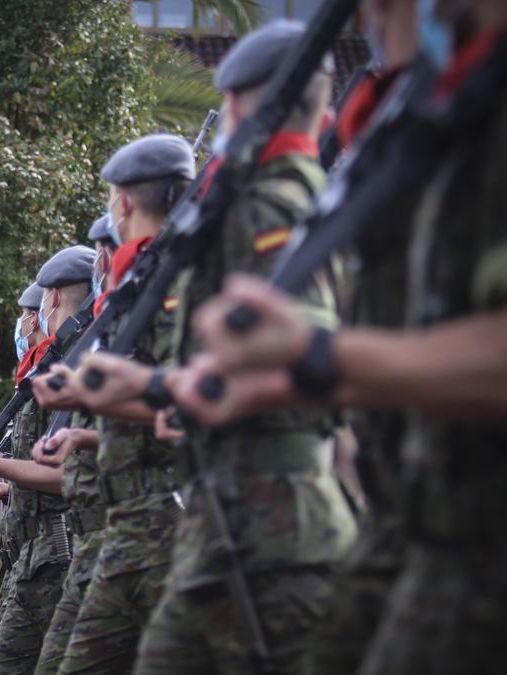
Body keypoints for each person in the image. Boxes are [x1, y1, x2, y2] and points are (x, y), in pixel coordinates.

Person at [167, 3, 507, 671]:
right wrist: (298, 374)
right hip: (414, 518)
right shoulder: (444, 114)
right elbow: (410, 335)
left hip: (450, 534)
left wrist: (316, 356)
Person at [50, 21, 358, 675]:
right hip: (220, 519)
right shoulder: (253, 207)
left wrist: (164, 391)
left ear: (244, 106)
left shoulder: (273, 207)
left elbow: (293, 364)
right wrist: (158, 394)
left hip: (275, 526)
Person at [31, 134, 194, 674]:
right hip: (123, 526)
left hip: (160, 519)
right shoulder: (149, 286)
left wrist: (95, 397)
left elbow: (188, 404)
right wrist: (85, 431)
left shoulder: (171, 286)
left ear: (123, 201)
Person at [0, 246, 94, 674]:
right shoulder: (44, 372)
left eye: (26, 312)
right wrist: (6, 487)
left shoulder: (70, 373)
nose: (23, 323)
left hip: (57, 558)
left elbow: (71, 475)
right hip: (32, 558)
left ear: (49, 301)